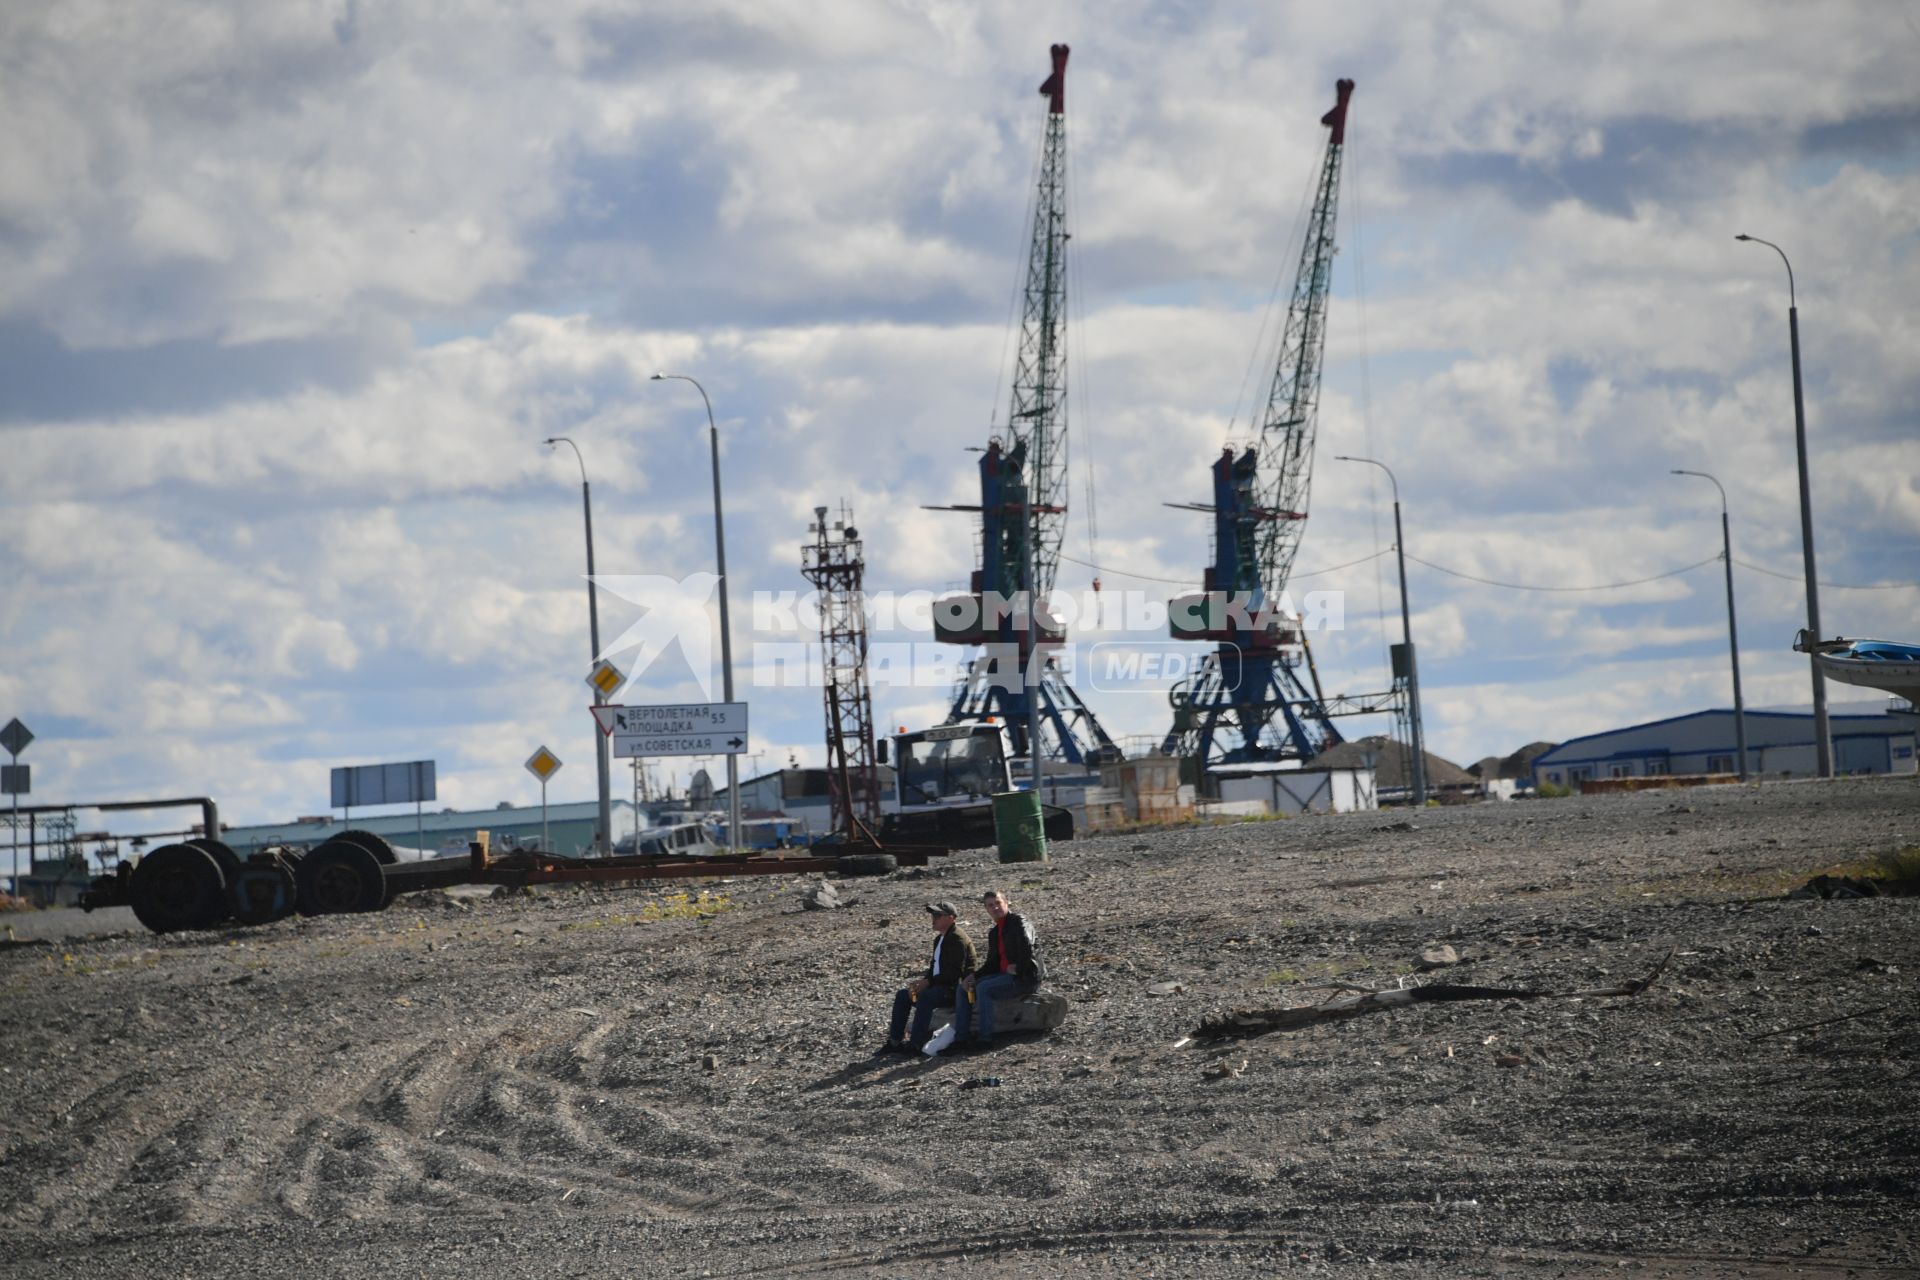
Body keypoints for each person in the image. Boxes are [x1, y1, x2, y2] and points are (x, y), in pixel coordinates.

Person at [878, 902, 977, 1055]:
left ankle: (916, 1044)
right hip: (939, 986)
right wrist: (923, 981)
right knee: (903, 995)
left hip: (954, 991)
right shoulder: (940, 939)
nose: (933, 918)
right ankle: (895, 1041)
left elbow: (953, 974)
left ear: (951, 918)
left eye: (938, 915)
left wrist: (928, 983)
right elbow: (934, 968)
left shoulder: (957, 939)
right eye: (933, 915)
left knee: (925, 997)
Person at [959, 888, 1045, 1048]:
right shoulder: (995, 932)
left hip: (1025, 978)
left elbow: (1030, 948)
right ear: (986, 909)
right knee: (964, 988)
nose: (995, 908)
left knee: (984, 988)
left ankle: (985, 1039)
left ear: (1006, 903)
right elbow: (992, 964)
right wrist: (973, 976)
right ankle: (961, 1037)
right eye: (990, 905)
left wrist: (1019, 968)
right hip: (1005, 976)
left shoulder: (1019, 922)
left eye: (998, 903)